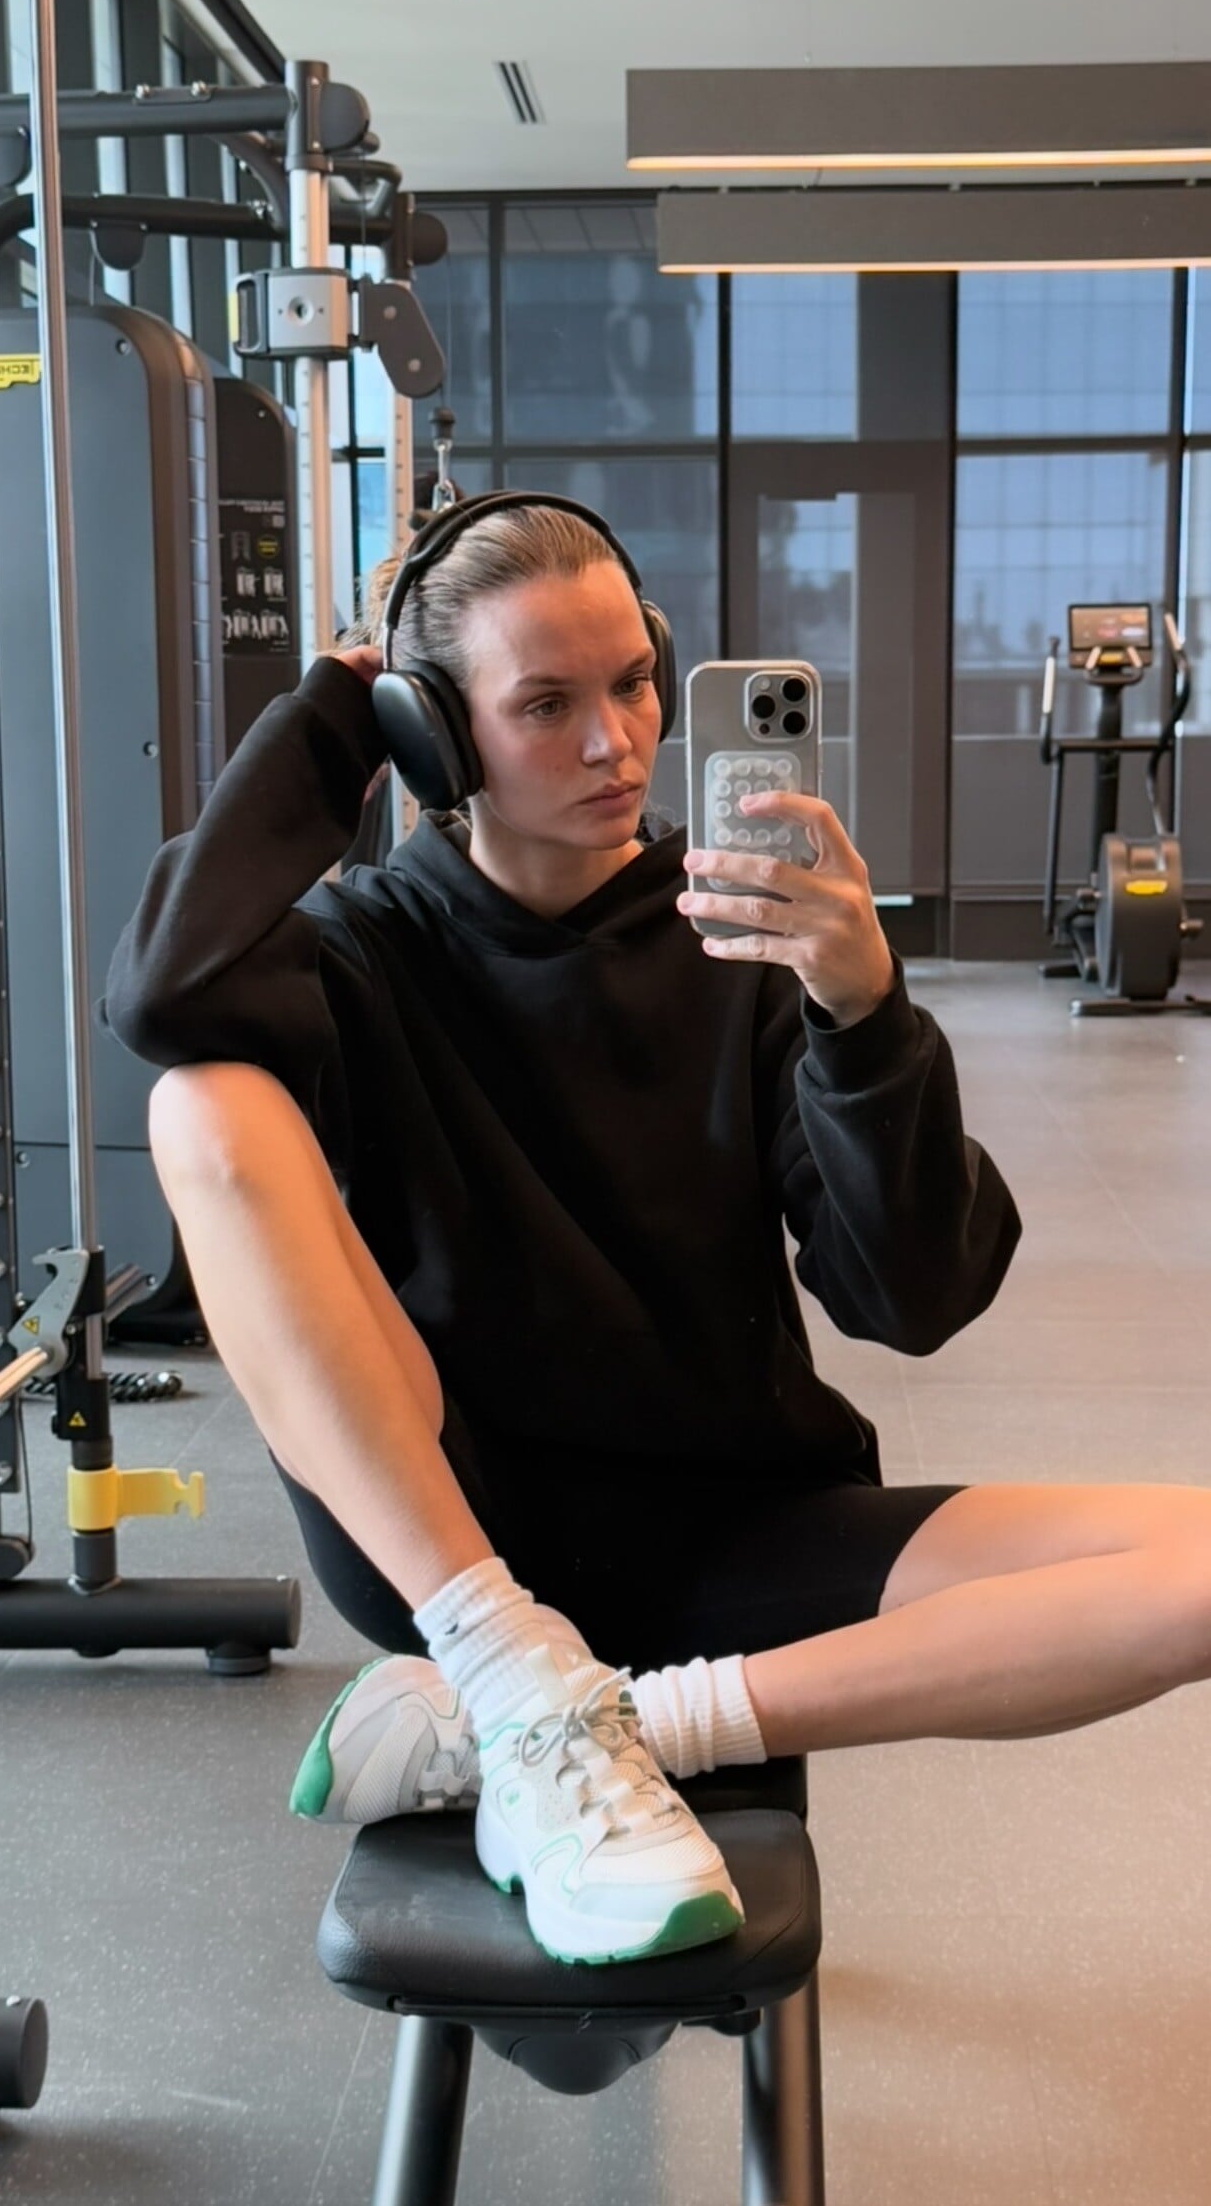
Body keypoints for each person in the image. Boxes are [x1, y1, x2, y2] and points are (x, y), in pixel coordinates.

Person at [102, 494, 1211, 1967]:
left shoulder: (745, 934)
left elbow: (914, 1297)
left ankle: (617, 1724)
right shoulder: (362, 952)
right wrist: (331, 720)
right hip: (463, 1539)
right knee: (203, 1101)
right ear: (435, 735)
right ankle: (511, 1670)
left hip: (738, 1534)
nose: (614, 743)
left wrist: (863, 1010)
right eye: (545, 705)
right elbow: (160, 992)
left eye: (633, 683)